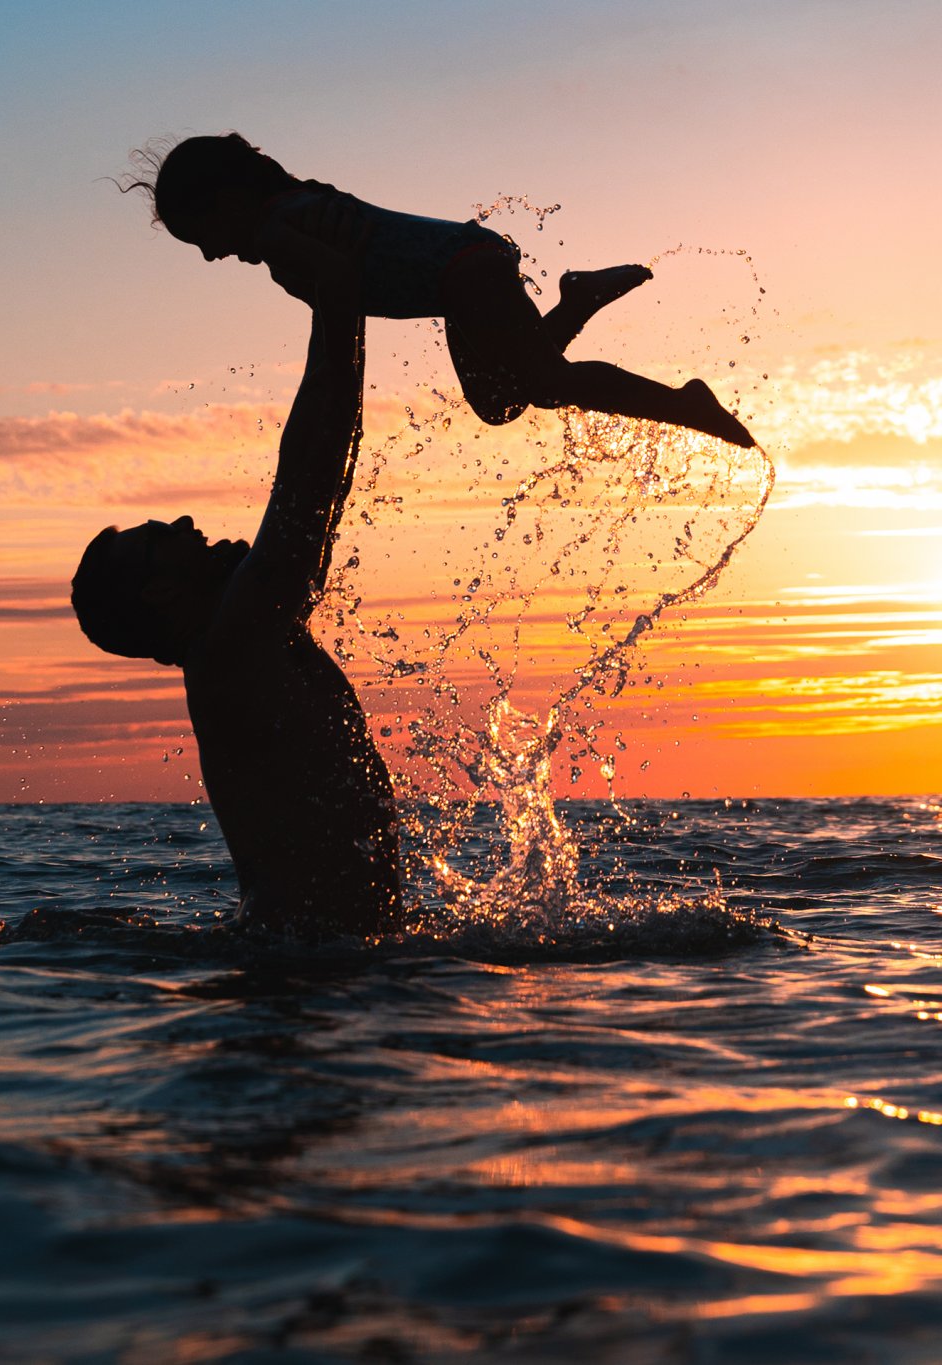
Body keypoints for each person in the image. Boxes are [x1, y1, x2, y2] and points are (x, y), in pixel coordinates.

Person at [71, 215, 402, 938]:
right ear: (160, 592)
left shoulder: (245, 643)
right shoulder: (233, 647)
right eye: (167, 537)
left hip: (310, 972)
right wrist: (337, 298)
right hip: (302, 984)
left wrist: (342, 302)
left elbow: (319, 472)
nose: (190, 525)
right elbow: (311, 474)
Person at [126, 131, 754, 446]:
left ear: (228, 198)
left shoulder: (277, 230)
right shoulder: (292, 213)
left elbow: (340, 297)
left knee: (536, 386)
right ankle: (581, 302)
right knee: (508, 398)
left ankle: (684, 402)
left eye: (201, 234)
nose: (209, 253)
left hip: (464, 272)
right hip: (467, 266)